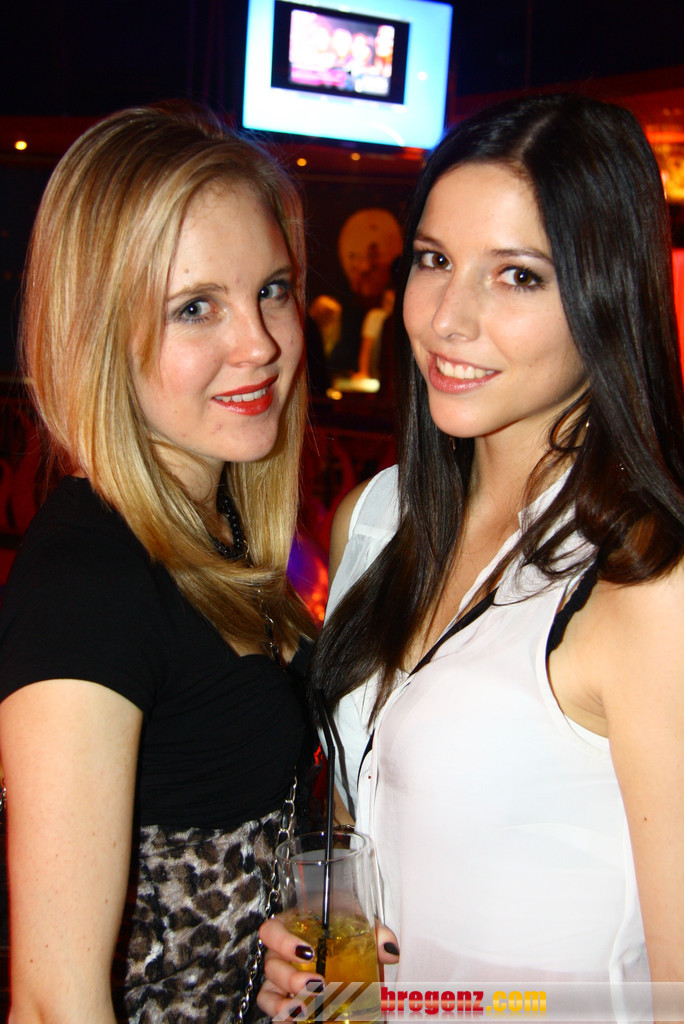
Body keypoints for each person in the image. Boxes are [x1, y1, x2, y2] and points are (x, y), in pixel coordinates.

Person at [257, 93, 684, 1020]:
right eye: (435, 260)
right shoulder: (378, 518)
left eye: (518, 276)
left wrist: (434, 1003)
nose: (448, 319)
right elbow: (373, 805)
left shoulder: (645, 583)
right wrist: (327, 950)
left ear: (606, 295)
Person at [0, 101, 318, 1023]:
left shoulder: (219, 523)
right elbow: (54, 1003)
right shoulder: (90, 584)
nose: (260, 343)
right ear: (99, 333)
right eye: (194, 308)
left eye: (272, 289)